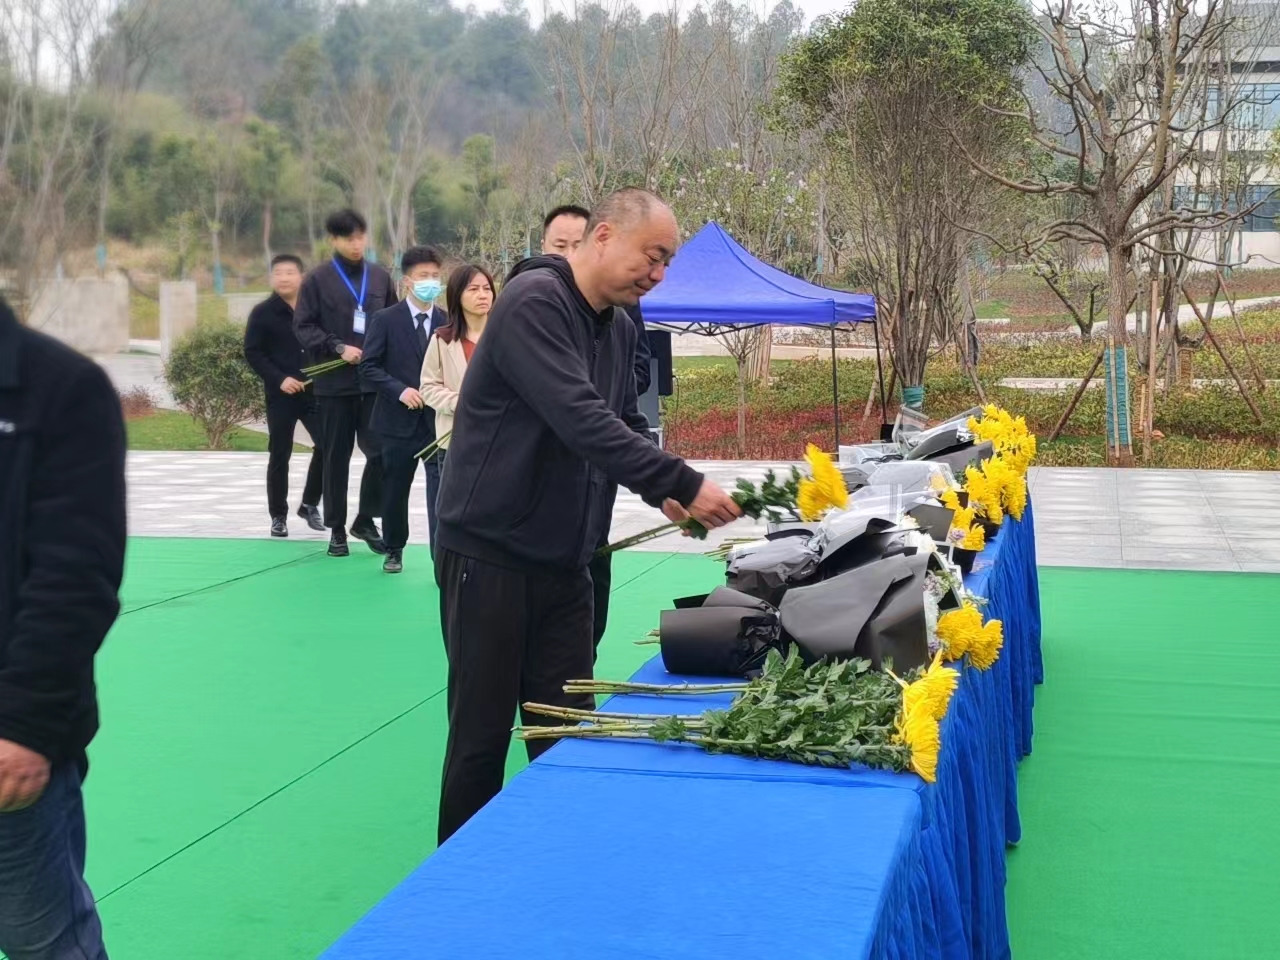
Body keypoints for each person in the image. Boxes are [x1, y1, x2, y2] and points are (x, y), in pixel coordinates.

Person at [434, 189, 741, 843]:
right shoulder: (533, 302)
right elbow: (578, 416)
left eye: (667, 262)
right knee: (481, 736)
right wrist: (682, 480)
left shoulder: (621, 324)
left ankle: (561, 864)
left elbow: (624, 419)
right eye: (652, 256)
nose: (658, 274)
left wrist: (661, 493)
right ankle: (459, 883)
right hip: (488, 554)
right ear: (603, 236)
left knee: (568, 727)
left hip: (569, 561)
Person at [0, 296, 126, 960]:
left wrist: (23, 727)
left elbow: (76, 577)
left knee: (46, 946)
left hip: (8, 749)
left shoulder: (59, 390)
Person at [540, 204, 653, 659]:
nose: (569, 255)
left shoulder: (620, 319)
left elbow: (632, 386)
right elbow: (571, 409)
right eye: (559, 246)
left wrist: (666, 482)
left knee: (582, 631)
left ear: (596, 243)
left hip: (593, 489)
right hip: (528, 517)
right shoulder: (532, 303)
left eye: (576, 244)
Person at [293, 208, 399, 558]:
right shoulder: (317, 280)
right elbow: (303, 326)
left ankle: (365, 519)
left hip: (372, 385)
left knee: (381, 453)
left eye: (360, 237)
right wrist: (337, 347)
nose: (356, 244)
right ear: (334, 240)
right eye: (348, 238)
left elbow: (394, 320)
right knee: (336, 458)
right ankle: (337, 530)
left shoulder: (380, 277)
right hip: (334, 385)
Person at [359, 246, 447, 574]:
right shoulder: (385, 319)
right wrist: (400, 390)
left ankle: (442, 556)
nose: (431, 282)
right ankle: (394, 549)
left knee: (441, 493)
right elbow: (368, 366)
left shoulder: (447, 321)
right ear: (407, 281)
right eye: (424, 276)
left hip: (437, 423)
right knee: (395, 488)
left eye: (435, 276)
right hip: (397, 423)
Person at [243, 254, 326, 538]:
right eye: (278, 273)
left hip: (315, 392)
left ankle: (310, 504)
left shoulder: (315, 310)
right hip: (281, 396)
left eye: (290, 272)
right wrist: (280, 379)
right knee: (280, 453)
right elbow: (253, 352)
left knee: (327, 446)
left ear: (301, 276)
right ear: (271, 278)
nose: (284, 278)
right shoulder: (262, 313)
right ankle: (278, 516)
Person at [418, 262, 494, 477]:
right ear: (457, 295)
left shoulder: (507, 336)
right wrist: (460, 402)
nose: (482, 295)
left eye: (487, 288)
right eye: (473, 289)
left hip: (498, 439)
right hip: (454, 440)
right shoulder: (442, 340)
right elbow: (428, 387)